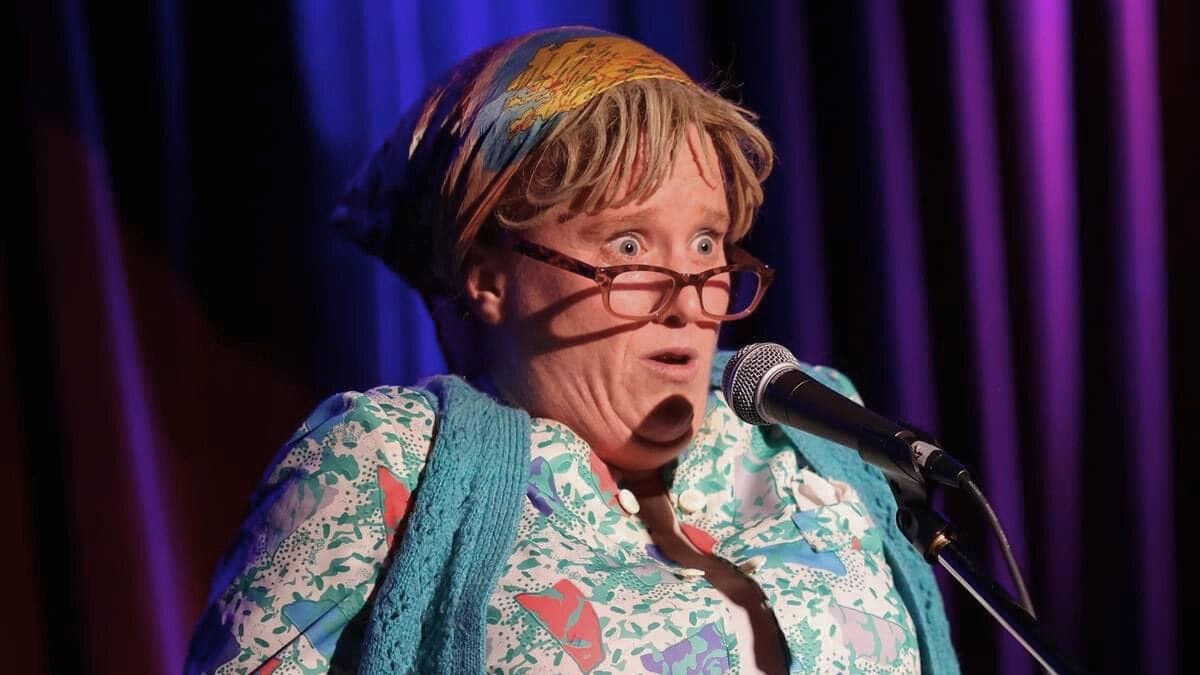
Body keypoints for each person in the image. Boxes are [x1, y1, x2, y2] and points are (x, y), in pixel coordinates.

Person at [184, 25, 959, 675]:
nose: (689, 297)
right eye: (628, 246)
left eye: (706, 243)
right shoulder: (383, 462)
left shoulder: (806, 426)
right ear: (489, 277)